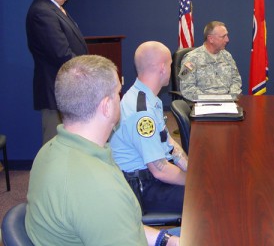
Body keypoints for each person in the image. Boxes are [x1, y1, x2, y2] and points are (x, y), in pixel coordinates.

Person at [25, 55, 179, 246]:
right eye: (118, 93)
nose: (121, 100)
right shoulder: (98, 188)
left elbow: (119, 227)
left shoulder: (48, 151)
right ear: (106, 106)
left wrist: (167, 240)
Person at [110, 41, 187, 214]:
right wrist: (195, 182)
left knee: (203, 187)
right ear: (162, 68)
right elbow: (160, 171)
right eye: (169, 65)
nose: (170, 69)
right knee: (205, 198)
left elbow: (169, 143)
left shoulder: (147, 98)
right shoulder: (142, 112)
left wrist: (191, 169)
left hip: (150, 174)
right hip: (141, 188)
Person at [26, 0, 88, 145]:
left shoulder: (54, 7)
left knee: (67, 140)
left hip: (65, 86)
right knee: (54, 141)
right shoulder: (42, 12)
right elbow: (60, 54)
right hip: (55, 87)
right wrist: (88, 69)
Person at [179, 21, 242, 100]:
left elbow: (236, 79)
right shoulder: (190, 59)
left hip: (228, 102)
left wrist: (231, 96)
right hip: (202, 103)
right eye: (223, 36)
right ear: (211, 39)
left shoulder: (227, 56)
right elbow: (186, 87)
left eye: (227, 36)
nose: (227, 40)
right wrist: (209, 99)